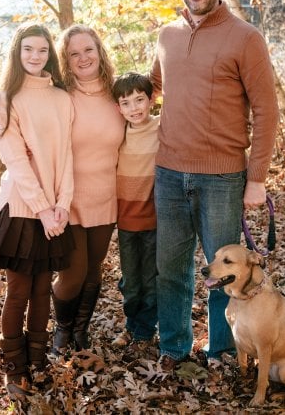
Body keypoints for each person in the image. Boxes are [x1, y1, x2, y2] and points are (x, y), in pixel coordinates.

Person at [150, 0, 279, 371]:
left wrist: (256, 177)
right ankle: (173, 346)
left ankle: (223, 351)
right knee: (170, 268)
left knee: (223, 274)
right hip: (168, 172)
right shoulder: (166, 34)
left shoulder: (245, 37)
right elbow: (150, 88)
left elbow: (266, 109)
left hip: (223, 176)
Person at [0, 23, 75, 398]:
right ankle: (14, 367)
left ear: (50, 54)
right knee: (18, 291)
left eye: (42, 50)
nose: (35, 57)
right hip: (22, 209)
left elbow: (66, 157)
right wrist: (43, 209)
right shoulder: (6, 99)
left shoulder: (61, 98)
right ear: (16, 54)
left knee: (42, 291)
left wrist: (62, 206)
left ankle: (37, 360)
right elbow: (16, 162)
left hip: (53, 209)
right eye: (28, 50)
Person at [51, 24, 125, 354]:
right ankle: (62, 329)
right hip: (68, 198)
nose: (83, 58)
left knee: (93, 270)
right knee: (73, 272)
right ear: (65, 60)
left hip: (107, 195)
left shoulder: (117, 93)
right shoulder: (60, 96)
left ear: (100, 51)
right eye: (74, 53)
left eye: (88, 50)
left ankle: (81, 330)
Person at [111, 72, 160, 361]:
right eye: (126, 103)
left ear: (151, 99)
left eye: (139, 100)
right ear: (118, 108)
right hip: (126, 220)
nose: (134, 108)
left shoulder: (161, 126)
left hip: (154, 219)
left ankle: (144, 331)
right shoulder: (118, 133)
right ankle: (132, 324)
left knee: (151, 279)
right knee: (130, 281)